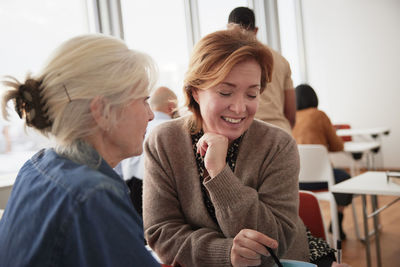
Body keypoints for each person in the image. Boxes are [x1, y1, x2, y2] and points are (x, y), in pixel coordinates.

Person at [144, 25, 349, 267]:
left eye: (252, 95)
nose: (240, 108)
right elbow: (161, 232)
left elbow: (276, 242)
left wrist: (220, 174)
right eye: (225, 92)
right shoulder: (164, 141)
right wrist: (225, 252)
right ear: (195, 91)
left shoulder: (277, 144)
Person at [0, 34, 160, 267]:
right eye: (144, 100)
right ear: (103, 111)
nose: (151, 115)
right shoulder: (93, 196)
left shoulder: (37, 166)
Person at [292, 83, 353, 240]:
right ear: (314, 98)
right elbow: (337, 146)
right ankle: (337, 221)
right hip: (322, 180)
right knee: (346, 181)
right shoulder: (318, 115)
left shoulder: (288, 118)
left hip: (294, 182)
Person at [228, 6, 296, 134]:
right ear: (256, 30)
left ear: (228, 28)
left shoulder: (227, 58)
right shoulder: (281, 60)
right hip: (280, 131)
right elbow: (291, 115)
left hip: (245, 131)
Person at [119, 86, 177, 217]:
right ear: (171, 107)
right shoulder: (172, 130)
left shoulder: (131, 128)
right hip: (154, 193)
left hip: (127, 190)